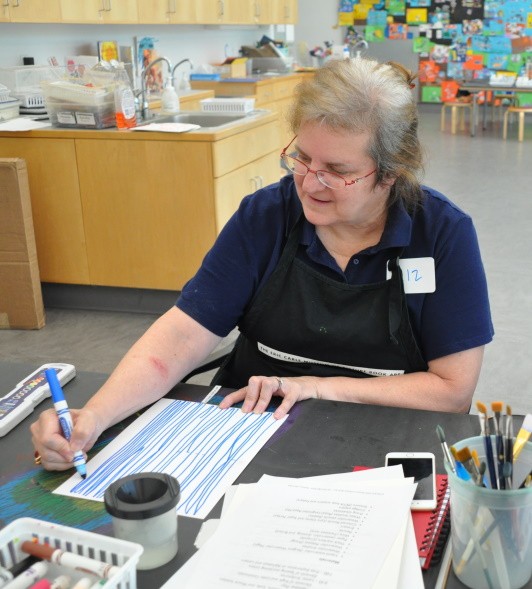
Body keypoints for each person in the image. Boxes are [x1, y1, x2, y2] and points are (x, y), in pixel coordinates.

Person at [31, 57, 493, 472]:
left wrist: (318, 386)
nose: (310, 183)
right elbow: (182, 335)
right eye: (302, 158)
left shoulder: (441, 234)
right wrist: (93, 416)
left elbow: (451, 392)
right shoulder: (266, 216)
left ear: (391, 173)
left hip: (383, 437)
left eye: (336, 169)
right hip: (248, 427)